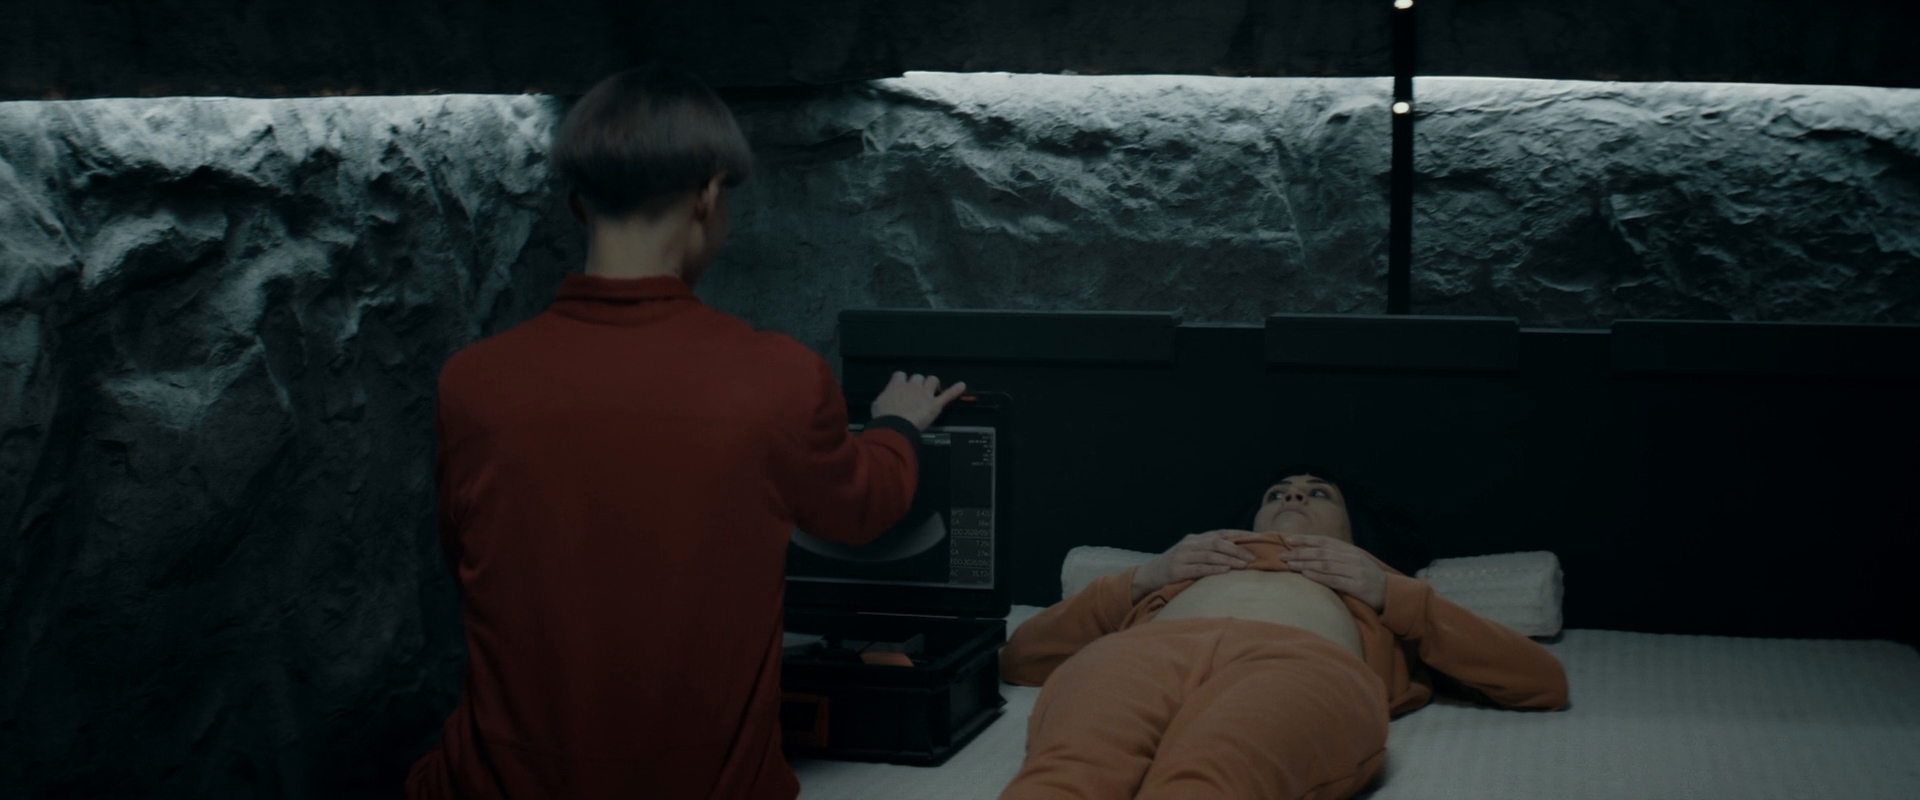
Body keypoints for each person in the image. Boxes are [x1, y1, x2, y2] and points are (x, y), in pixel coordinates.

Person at [405, 65, 967, 799]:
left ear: (578, 205)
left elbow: (472, 567)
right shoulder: (776, 379)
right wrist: (898, 425)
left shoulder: (472, 384)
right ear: (707, 195)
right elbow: (862, 508)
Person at [998, 463, 1569, 799]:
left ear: (1354, 527)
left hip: (1301, 664)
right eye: (1277, 493)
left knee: (1213, 780)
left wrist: (1392, 593)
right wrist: (1141, 579)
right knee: (1068, 775)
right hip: (1142, 654)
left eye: (1318, 493)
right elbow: (1023, 656)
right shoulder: (1188, 562)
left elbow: (1541, 681)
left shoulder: (1379, 582)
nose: (1292, 495)